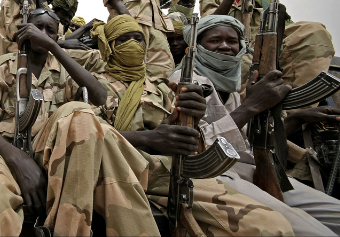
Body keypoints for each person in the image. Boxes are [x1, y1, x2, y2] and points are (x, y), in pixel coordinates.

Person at [83, 14, 295, 236]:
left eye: (139, 39)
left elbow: (185, 137)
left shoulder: (163, 88)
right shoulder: (89, 84)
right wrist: (150, 138)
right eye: (123, 39)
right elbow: (83, 132)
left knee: (278, 226)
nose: (134, 45)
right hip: (123, 170)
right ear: (107, 46)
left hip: (173, 169)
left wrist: (183, 120)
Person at [0, 7, 161, 236]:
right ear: (24, 29)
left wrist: (54, 48)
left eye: (50, 31)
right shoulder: (5, 66)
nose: (42, 33)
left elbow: (100, 98)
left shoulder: (64, 71)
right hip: (3, 152)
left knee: (80, 111)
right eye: (37, 27)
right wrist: (18, 159)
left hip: (52, 153)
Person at [168, 15, 340, 236]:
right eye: (214, 40)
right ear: (198, 47)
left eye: (232, 41)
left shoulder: (230, 87)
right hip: (213, 175)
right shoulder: (184, 80)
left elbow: (247, 140)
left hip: (251, 169)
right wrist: (252, 105)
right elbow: (192, 145)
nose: (225, 46)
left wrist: (297, 118)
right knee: (309, 230)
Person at [200, 0, 335, 101]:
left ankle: (298, 110)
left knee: (313, 30)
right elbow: (211, 24)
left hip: (271, 45)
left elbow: (285, 28)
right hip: (236, 52)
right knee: (243, 66)